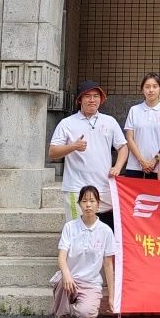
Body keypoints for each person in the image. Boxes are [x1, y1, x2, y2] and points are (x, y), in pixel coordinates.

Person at [48, 80, 127, 229]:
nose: (92, 100)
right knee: (77, 230)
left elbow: (122, 147)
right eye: (87, 96)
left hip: (104, 187)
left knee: (105, 230)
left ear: (101, 99)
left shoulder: (109, 121)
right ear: (80, 100)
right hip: (76, 187)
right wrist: (73, 146)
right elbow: (52, 152)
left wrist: (117, 167)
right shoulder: (67, 123)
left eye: (96, 96)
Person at [48, 184, 116, 318]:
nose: (88, 205)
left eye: (92, 201)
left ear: (98, 204)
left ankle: (78, 313)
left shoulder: (105, 231)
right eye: (84, 201)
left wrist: (111, 297)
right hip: (71, 280)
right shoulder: (70, 227)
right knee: (62, 280)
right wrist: (66, 274)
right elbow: (62, 257)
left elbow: (108, 265)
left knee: (87, 314)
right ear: (79, 204)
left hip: (91, 283)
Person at [123, 72, 160, 180]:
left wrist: (155, 160)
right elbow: (129, 138)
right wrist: (141, 161)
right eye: (147, 87)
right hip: (135, 166)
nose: (151, 90)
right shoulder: (134, 110)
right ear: (142, 90)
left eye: (155, 86)